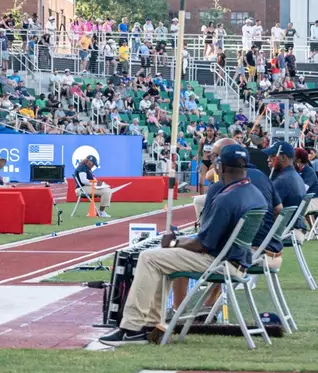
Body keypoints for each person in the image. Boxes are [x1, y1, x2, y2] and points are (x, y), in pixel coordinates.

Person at [100, 144, 267, 345]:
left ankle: (132, 327)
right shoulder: (255, 193)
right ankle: (151, 325)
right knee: (161, 261)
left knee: (149, 257)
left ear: (221, 167)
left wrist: (173, 242)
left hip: (220, 261)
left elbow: (202, 245)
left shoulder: (226, 198)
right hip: (238, 260)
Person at [74, 154, 112, 218]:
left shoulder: (88, 169)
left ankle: (101, 211)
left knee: (107, 189)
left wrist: (101, 184)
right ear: (89, 162)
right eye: (93, 164)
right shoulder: (82, 167)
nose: (93, 165)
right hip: (82, 189)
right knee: (107, 191)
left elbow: (94, 180)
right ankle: (101, 212)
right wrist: (95, 184)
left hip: (87, 187)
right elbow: (83, 180)